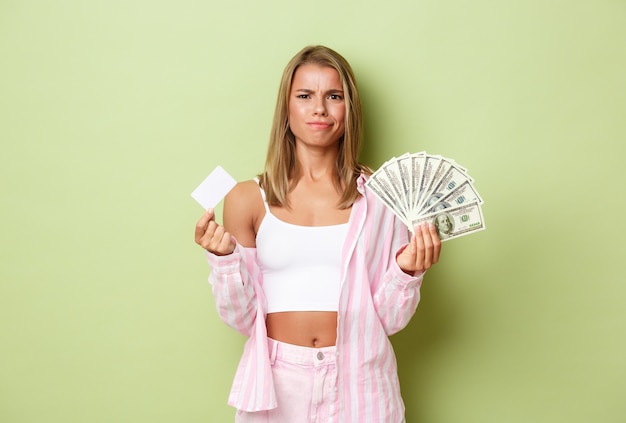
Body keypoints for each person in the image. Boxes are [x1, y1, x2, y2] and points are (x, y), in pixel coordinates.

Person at [194, 45, 442, 423]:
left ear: (349, 109)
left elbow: (389, 321)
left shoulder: (382, 197)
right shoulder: (246, 198)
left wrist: (407, 272)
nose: (319, 109)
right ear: (287, 108)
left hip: (361, 376)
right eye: (305, 95)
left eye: (334, 96)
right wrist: (224, 261)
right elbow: (242, 320)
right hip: (277, 382)